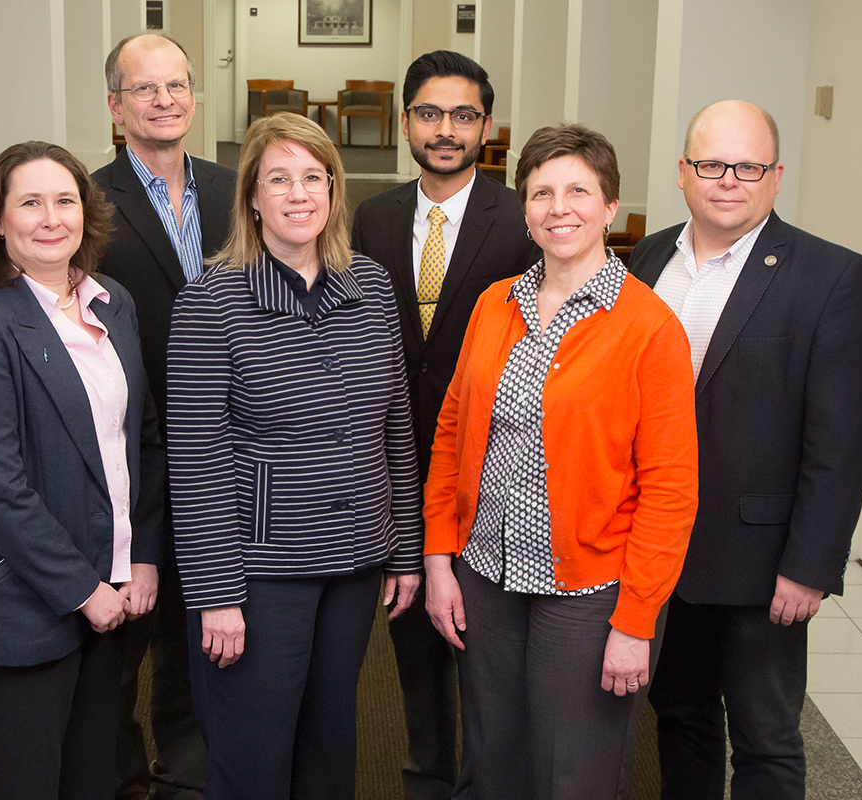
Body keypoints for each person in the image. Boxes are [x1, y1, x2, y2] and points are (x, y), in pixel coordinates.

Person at [423, 124, 699, 800]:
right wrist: (439, 559)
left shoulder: (649, 327)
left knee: (573, 773)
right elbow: (453, 429)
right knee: (495, 760)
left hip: (589, 595)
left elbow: (670, 489)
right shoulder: (495, 305)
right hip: (486, 576)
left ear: (610, 207)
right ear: (525, 209)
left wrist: (636, 622)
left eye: (580, 190)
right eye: (542, 191)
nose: (559, 207)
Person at [628, 100, 862, 800]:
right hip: (660, 554)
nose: (729, 180)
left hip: (761, 566)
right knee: (678, 717)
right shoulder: (649, 258)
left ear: (776, 176)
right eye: (712, 164)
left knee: (766, 741)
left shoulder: (832, 277)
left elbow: (843, 442)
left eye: (749, 166)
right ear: (683, 173)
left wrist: (810, 565)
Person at [166, 111, 424, 800]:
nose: (299, 193)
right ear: (252, 195)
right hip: (257, 575)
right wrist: (216, 595)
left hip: (353, 561)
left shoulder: (371, 288)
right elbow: (194, 464)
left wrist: (403, 549)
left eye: (315, 176)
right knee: (252, 759)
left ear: (335, 192)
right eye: (278, 178)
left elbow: (395, 428)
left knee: (331, 747)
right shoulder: (209, 302)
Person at [0, 141, 165, 800]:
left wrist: (143, 556)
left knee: (94, 778)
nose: (51, 217)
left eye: (65, 200)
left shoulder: (111, 303)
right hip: (28, 602)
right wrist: (84, 591)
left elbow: (141, 441)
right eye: (29, 202)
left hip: (116, 590)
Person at [351, 50, 539, 800]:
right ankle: (426, 778)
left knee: (487, 655)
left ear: (486, 127)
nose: (446, 129)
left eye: (464, 115)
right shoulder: (374, 216)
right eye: (430, 113)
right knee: (412, 647)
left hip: (494, 473)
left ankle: (487, 784)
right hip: (395, 467)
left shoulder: (522, 217)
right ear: (406, 123)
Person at [90, 32, 237, 799]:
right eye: (145, 89)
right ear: (116, 106)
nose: (165, 100)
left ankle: (189, 775)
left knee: (200, 627)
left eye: (176, 85)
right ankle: (121, 778)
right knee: (121, 637)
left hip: (221, 449)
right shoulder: (84, 201)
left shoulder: (232, 187)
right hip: (126, 452)